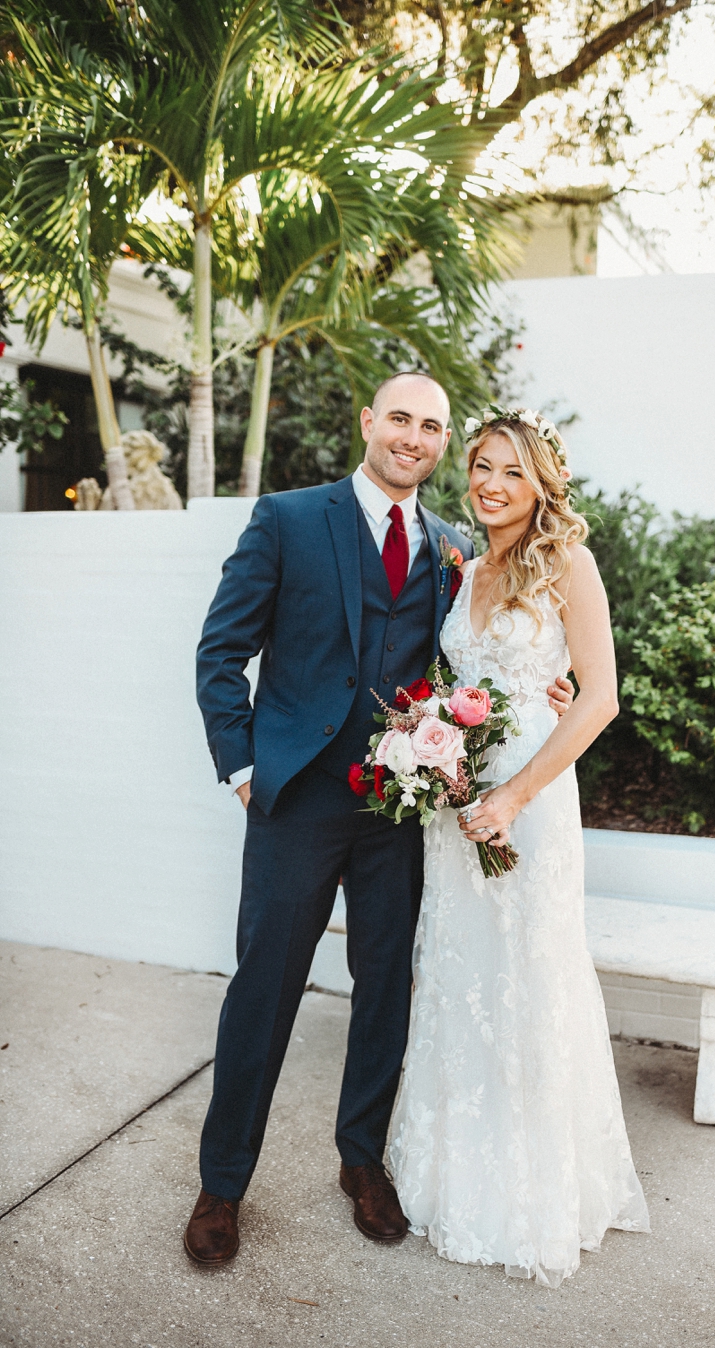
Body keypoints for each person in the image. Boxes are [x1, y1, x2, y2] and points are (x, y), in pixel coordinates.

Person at [185, 373, 573, 1264]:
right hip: (298, 801)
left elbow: (475, 668)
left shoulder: (450, 548)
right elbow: (221, 651)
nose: (414, 437)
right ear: (367, 422)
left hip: (404, 809)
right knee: (265, 987)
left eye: (432, 426)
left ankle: (361, 1160)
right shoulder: (287, 518)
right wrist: (244, 769)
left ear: (442, 443)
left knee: (387, 988)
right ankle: (222, 1183)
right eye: (400, 418)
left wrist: (554, 692)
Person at [388, 407, 650, 1287]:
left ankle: (533, 1190)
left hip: (528, 801)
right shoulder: (465, 565)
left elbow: (599, 696)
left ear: (542, 483)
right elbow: (461, 682)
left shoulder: (567, 563)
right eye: (482, 468)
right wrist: (432, 750)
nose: (492, 484)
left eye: (511, 471)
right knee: (463, 973)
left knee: (530, 977)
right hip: (455, 801)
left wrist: (512, 794)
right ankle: (453, 1171)